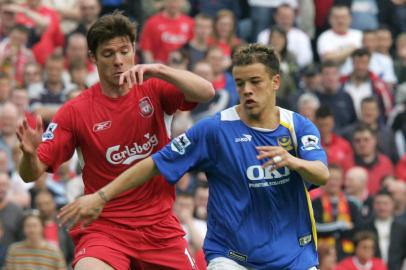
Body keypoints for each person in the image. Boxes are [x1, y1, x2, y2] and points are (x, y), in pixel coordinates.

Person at [58, 43, 330, 269]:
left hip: (295, 257)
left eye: (255, 82)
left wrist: (292, 161)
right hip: (233, 258)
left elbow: (321, 172)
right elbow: (154, 163)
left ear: (275, 82)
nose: (246, 89)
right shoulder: (214, 130)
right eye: (240, 83)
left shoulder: (298, 127)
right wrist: (101, 196)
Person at [17, 11, 214, 270]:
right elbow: (30, 175)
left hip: (159, 226)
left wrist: (160, 69)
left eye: (124, 51)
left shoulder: (154, 88)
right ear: (93, 58)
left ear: (134, 49)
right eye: (109, 54)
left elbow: (207, 92)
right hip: (105, 228)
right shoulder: (75, 111)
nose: (119, 61)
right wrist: (30, 155)